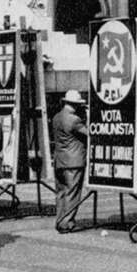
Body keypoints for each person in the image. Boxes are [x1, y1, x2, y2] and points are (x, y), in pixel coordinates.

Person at [52, 89, 88, 229]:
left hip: (59, 160)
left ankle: (60, 220)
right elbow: (89, 132)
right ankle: (67, 222)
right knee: (72, 193)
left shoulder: (56, 117)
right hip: (74, 161)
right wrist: (88, 116)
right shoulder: (74, 120)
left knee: (61, 192)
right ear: (75, 104)